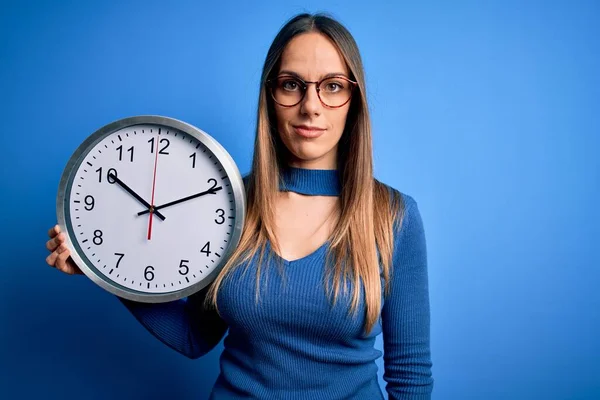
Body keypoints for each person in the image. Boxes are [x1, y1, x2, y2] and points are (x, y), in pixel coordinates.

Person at [45, 12, 434, 399]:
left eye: (332, 86)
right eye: (291, 84)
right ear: (270, 95)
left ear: (354, 100)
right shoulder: (225, 206)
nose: (310, 106)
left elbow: (410, 376)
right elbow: (194, 336)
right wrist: (104, 271)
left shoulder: (393, 217)